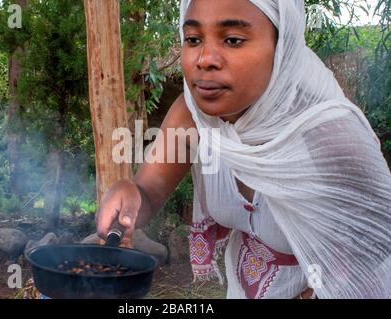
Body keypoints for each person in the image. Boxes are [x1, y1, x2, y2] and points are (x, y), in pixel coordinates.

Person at [95, 0, 391, 299]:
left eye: (233, 40)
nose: (205, 58)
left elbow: (377, 248)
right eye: (194, 40)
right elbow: (147, 193)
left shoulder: (330, 137)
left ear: (282, 46)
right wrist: (129, 194)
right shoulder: (193, 117)